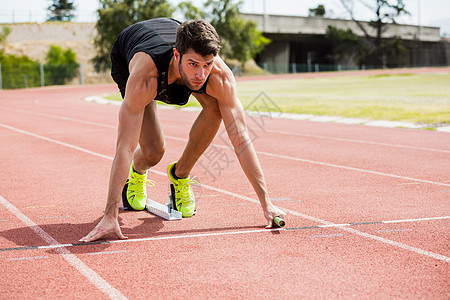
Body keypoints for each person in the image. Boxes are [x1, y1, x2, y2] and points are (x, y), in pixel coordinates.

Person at [80, 18, 286, 243]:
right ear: (177, 55)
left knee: (216, 106)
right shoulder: (144, 77)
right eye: (193, 64)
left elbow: (241, 140)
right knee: (153, 151)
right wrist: (110, 214)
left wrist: (267, 204)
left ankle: (180, 174)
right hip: (133, 54)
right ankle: (137, 173)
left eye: (207, 64)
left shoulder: (219, 76)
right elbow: (125, 147)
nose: (201, 74)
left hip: (170, 40)